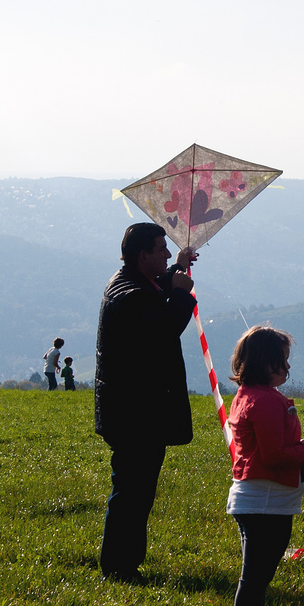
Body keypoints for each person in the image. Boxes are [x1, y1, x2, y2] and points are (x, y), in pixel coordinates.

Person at [93, 222, 198, 584]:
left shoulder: (128, 284)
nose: (167, 254)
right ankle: (119, 568)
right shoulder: (133, 297)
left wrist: (177, 271)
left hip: (133, 412)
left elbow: (155, 289)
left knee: (136, 490)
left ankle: (125, 562)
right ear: (143, 255)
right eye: (162, 249)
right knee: (132, 494)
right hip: (135, 415)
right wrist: (183, 295)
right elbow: (163, 327)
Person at [226, 326, 304, 606]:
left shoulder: (246, 396)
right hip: (264, 501)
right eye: (283, 360)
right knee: (255, 575)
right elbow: (273, 456)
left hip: (263, 499)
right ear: (265, 363)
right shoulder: (267, 402)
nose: (288, 366)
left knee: (258, 574)